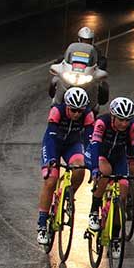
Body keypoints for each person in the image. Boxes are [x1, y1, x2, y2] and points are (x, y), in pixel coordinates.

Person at [37, 86, 95, 247]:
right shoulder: (57, 111)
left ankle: (68, 196)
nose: (77, 114)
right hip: (54, 144)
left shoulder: (88, 115)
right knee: (51, 180)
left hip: (72, 145)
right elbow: (50, 137)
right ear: (67, 106)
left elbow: (90, 141)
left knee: (80, 167)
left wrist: (92, 162)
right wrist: (50, 161)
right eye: (73, 110)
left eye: (80, 111)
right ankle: (42, 224)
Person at [84, 96, 134, 232]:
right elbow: (95, 146)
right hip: (100, 155)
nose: (124, 124)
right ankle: (94, 212)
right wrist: (95, 169)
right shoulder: (102, 122)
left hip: (118, 158)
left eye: (127, 120)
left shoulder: (133, 126)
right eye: (121, 120)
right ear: (113, 116)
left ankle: (116, 233)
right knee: (105, 172)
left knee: (123, 190)